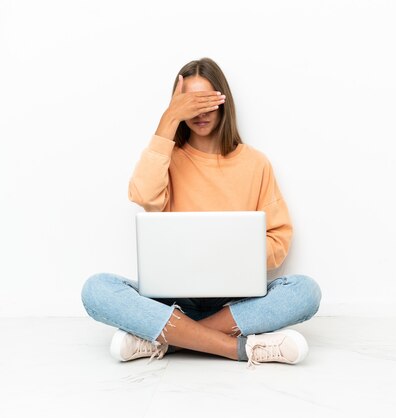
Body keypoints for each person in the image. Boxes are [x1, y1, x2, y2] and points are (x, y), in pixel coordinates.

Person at [81, 58, 322, 368]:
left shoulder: (255, 163)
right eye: (189, 104)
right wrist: (168, 120)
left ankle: (164, 340)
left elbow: (278, 242)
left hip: (233, 305)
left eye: (207, 101)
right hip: (171, 303)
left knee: (305, 292)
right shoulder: (168, 159)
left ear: (224, 102)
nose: (200, 112)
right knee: (96, 290)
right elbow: (143, 195)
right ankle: (239, 348)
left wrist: (228, 254)